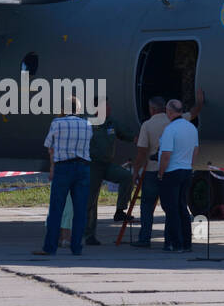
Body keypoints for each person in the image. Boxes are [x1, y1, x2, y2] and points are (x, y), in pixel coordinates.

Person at [130, 90, 204, 248]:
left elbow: (144, 152)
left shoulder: (149, 125)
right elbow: (194, 113)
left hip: (156, 170)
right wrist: (200, 101)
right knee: (176, 207)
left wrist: (137, 170)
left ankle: (146, 239)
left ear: (152, 109)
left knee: (149, 205)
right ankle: (175, 241)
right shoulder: (186, 123)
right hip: (183, 170)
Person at [33, 96, 92, 256]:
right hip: (83, 168)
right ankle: (76, 247)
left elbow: (49, 147)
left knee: (56, 209)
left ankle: (50, 247)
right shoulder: (87, 124)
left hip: (63, 167)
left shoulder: (57, 123)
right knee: (80, 210)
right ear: (78, 110)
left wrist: (52, 167)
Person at [84, 98, 132, 246]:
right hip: (92, 166)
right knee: (90, 201)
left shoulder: (112, 122)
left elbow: (127, 135)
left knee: (126, 177)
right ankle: (88, 235)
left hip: (107, 164)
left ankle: (120, 211)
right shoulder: (88, 124)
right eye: (106, 106)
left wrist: (141, 139)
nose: (109, 108)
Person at [157, 100, 198, 252]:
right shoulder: (192, 128)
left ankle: (175, 242)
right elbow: (195, 151)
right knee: (182, 207)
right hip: (186, 171)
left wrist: (161, 173)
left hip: (172, 172)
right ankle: (187, 242)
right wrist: (190, 166)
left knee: (171, 209)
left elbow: (166, 155)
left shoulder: (170, 129)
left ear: (169, 112)